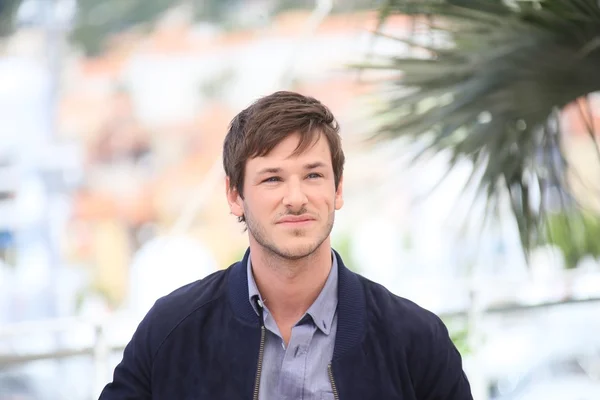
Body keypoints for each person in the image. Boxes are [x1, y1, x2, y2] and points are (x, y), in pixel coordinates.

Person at [99, 91, 473, 399]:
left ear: (337, 189)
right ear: (235, 195)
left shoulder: (415, 340)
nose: (295, 198)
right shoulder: (171, 332)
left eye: (313, 175)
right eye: (272, 179)